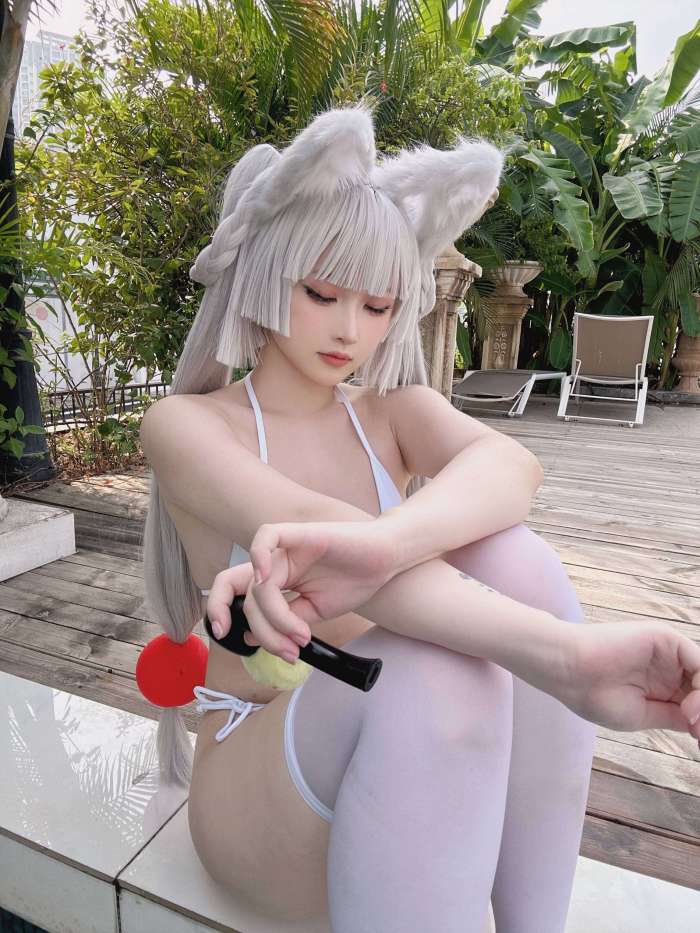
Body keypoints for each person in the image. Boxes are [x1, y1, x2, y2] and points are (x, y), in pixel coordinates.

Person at [138, 103, 700, 933]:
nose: (349, 328)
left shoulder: (391, 411)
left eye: (377, 305)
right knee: (437, 677)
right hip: (266, 777)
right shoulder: (186, 425)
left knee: (518, 561)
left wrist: (385, 543)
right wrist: (569, 658)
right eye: (322, 292)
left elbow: (511, 467)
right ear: (264, 270)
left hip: (410, 764)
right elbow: (308, 524)